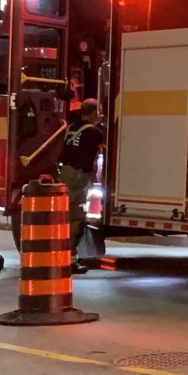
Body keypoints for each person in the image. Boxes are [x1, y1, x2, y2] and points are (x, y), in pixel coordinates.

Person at [57, 98, 105, 273]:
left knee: (64, 215)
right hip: (79, 176)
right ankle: (69, 260)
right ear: (94, 113)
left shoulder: (71, 127)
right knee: (75, 218)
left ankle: (63, 257)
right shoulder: (94, 132)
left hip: (66, 173)